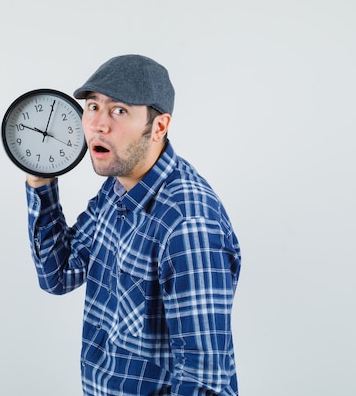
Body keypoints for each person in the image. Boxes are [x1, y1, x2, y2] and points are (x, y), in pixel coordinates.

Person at [24, 54, 241, 396]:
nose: (98, 124)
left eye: (119, 110)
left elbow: (203, 383)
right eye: (93, 106)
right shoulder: (118, 187)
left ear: (158, 126)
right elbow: (60, 274)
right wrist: (41, 181)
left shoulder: (188, 223)